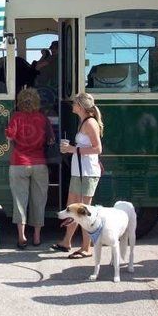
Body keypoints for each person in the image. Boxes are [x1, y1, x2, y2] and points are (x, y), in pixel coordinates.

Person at [52, 92, 103, 258]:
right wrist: (72, 148)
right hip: (80, 171)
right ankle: (67, 242)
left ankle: (86, 248)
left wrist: (73, 149)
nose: (72, 105)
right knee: (72, 207)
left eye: (74, 103)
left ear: (80, 106)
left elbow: (97, 148)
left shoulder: (90, 123)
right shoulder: (84, 122)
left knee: (83, 211)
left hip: (87, 172)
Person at [5, 88, 49, 248]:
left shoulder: (16, 117)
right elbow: (50, 139)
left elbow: (9, 135)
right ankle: (36, 237)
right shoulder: (43, 118)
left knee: (20, 201)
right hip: (39, 163)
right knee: (39, 201)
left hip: (19, 163)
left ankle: (22, 237)